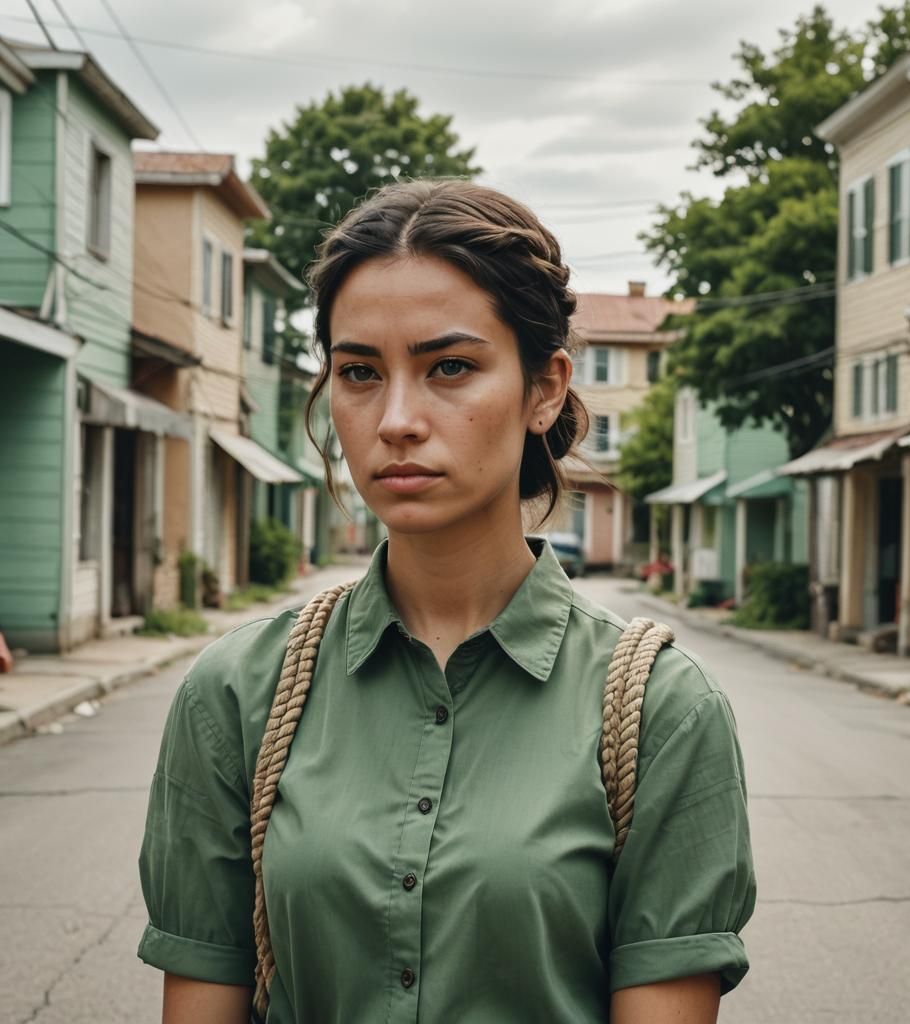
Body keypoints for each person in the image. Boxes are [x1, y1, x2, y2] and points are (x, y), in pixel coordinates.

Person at [137, 180, 755, 1024]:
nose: (395, 419)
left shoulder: (660, 713)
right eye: (359, 372)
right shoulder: (237, 695)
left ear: (544, 389)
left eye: (450, 367)